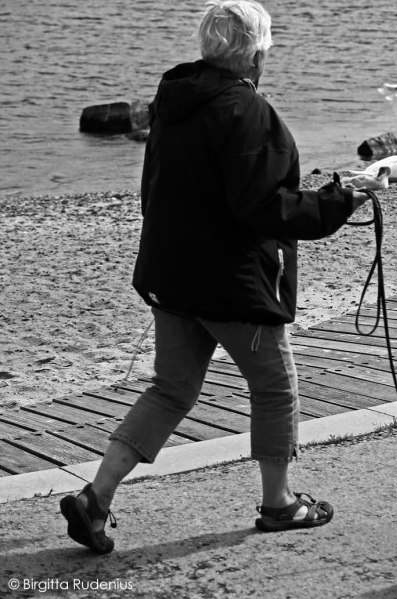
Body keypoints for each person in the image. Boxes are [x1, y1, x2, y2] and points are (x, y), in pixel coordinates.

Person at [59, 0, 374, 553]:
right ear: (254, 53)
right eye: (267, 48)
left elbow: (161, 191)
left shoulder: (171, 103)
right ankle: (279, 505)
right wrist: (337, 202)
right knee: (275, 388)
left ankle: (95, 497)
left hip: (173, 276)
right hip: (233, 283)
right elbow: (264, 208)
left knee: (171, 389)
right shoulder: (249, 112)